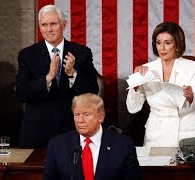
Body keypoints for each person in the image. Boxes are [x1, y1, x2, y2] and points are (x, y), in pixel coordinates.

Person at [16, 5, 99, 147]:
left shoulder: (82, 53)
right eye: (44, 25)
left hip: (72, 129)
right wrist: (48, 78)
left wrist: (72, 74)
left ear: (64, 24)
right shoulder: (27, 55)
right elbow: (21, 93)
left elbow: (93, 90)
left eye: (53, 24)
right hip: (37, 131)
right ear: (40, 27)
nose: (49, 30)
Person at [126, 22, 195, 147]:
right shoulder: (146, 69)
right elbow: (133, 108)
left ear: (177, 45)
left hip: (187, 133)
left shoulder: (192, 66)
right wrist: (135, 84)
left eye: (167, 43)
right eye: (158, 42)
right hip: (157, 134)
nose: (162, 48)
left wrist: (191, 96)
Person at [43, 93, 141, 180]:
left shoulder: (123, 145)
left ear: (101, 117)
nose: (80, 120)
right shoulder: (57, 145)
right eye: (77, 115)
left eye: (86, 114)